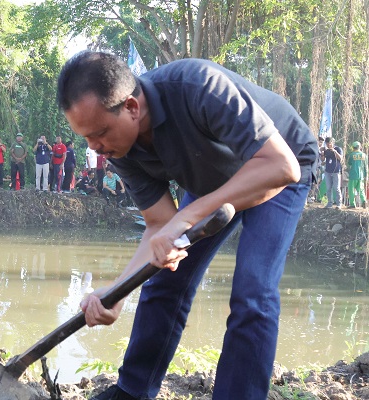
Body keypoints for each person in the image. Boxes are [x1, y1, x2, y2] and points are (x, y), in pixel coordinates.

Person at [57, 51, 317, 400]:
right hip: (212, 178)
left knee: (252, 291)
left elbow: (281, 167)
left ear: (132, 107)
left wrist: (185, 217)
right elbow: (159, 224)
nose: (95, 147)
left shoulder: (197, 86)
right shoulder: (119, 148)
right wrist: (116, 291)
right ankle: (132, 391)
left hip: (278, 163)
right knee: (165, 276)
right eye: (86, 137)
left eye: (100, 133)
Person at [321, 136, 343, 208]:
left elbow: (340, 158)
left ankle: (339, 204)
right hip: (328, 171)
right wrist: (322, 153)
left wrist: (335, 151)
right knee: (328, 188)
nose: (328, 145)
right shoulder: (326, 150)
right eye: (326, 143)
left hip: (336, 171)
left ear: (332, 143)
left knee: (336, 188)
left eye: (329, 143)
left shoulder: (338, 149)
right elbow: (323, 160)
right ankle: (329, 203)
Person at [346, 141, 367, 208]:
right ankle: (364, 201)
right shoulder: (364, 155)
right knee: (361, 189)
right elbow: (366, 166)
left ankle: (352, 204)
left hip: (353, 175)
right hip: (361, 176)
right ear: (360, 147)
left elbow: (348, 164)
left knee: (351, 190)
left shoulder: (351, 155)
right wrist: (366, 175)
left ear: (353, 147)